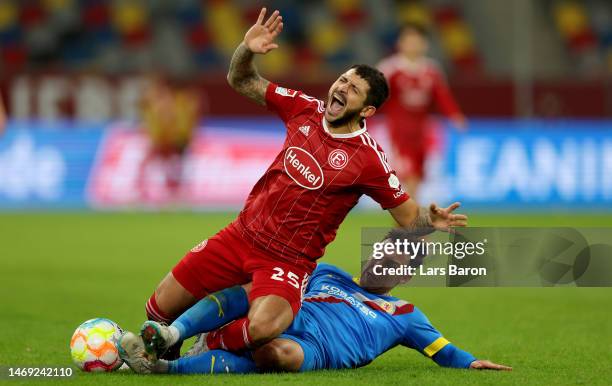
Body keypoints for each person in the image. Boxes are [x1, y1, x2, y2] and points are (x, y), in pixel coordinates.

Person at [137, 8, 468, 361]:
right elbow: (241, 80)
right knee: (157, 309)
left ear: (367, 111)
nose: (341, 87)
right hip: (240, 235)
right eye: (342, 79)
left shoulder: (369, 159)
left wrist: (428, 223)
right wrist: (247, 49)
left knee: (264, 327)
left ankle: (208, 343)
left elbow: (407, 217)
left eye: (353, 89)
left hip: (287, 261)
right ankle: (162, 356)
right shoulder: (303, 108)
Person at [118, 229, 511, 374]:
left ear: (405, 275)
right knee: (263, 290)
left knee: (278, 355)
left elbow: (442, 351)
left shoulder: (406, 315)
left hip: (314, 349)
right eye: (383, 254)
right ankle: (172, 333)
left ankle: (165, 368)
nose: (384, 263)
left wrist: (472, 362)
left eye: (396, 263)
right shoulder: (328, 273)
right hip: (279, 317)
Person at [378, 23, 466, 199]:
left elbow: (442, 96)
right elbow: (375, 93)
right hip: (399, 131)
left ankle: (406, 220)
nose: (413, 45)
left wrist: (455, 115)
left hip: (422, 131)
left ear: (425, 44)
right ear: (400, 43)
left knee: (416, 176)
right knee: (407, 174)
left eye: (417, 41)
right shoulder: (390, 68)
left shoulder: (432, 70)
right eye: (409, 40)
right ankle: (409, 220)